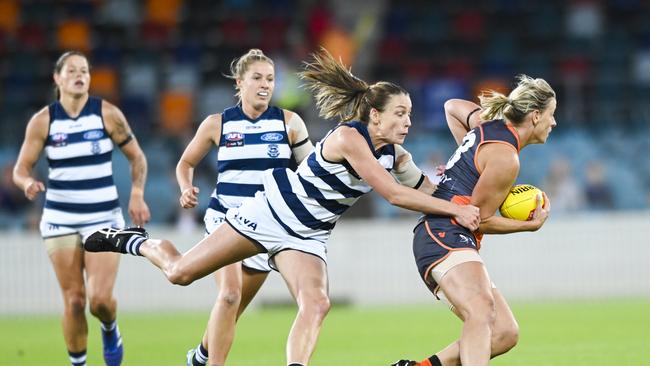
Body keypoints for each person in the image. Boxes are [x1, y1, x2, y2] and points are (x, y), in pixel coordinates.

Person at [84, 49, 480, 366]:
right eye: (400, 113)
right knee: (180, 273)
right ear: (374, 116)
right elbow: (394, 195)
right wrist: (456, 211)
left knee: (317, 303)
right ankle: (135, 242)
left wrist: (466, 187)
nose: (407, 121)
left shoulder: (397, 155)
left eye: (409, 114)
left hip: (307, 235)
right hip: (268, 214)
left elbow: (432, 190)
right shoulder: (348, 138)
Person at [392, 75, 554, 366]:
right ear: (536, 115)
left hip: (441, 233)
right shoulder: (506, 158)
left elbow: (452, 107)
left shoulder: (488, 126)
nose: (553, 123)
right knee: (480, 310)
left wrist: (464, 160)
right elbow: (478, 221)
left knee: (504, 332)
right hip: (443, 233)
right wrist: (528, 226)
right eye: (551, 116)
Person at [12, 51, 150, 366]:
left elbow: (138, 158)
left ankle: (109, 326)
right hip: (60, 220)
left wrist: (138, 193)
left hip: (103, 217)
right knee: (74, 301)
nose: (79, 75)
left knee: (99, 300)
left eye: (84, 70)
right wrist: (26, 184)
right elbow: (21, 169)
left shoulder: (107, 114)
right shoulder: (43, 121)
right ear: (57, 78)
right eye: (72, 70)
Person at [178, 49, 314, 366]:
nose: (265, 84)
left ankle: (199, 356)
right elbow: (186, 162)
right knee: (229, 295)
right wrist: (186, 187)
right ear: (240, 82)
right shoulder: (217, 124)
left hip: (266, 226)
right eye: (257, 78)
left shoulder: (289, 123)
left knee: (233, 308)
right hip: (224, 219)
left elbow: (311, 169)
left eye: (270, 78)